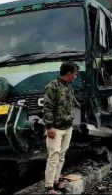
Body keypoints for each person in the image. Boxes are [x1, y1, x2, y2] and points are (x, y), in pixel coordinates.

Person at [43, 62, 80, 194]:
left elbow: (73, 102)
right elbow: (47, 107)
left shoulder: (69, 86)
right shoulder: (52, 86)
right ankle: (49, 187)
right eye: (75, 74)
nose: (76, 76)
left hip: (67, 127)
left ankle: (56, 181)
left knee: (62, 156)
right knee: (54, 156)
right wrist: (49, 127)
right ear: (68, 73)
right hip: (56, 128)